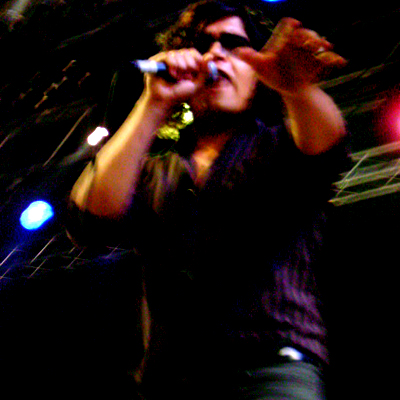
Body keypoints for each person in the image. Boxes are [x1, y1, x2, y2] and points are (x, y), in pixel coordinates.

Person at [67, 1, 349, 398]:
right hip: (171, 382)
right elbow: (89, 220)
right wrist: (153, 102)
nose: (215, 54)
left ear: (256, 73)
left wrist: (297, 89)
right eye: (201, 45)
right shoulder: (152, 170)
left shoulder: (280, 145)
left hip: (270, 373)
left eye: (232, 45)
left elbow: (328, 149)